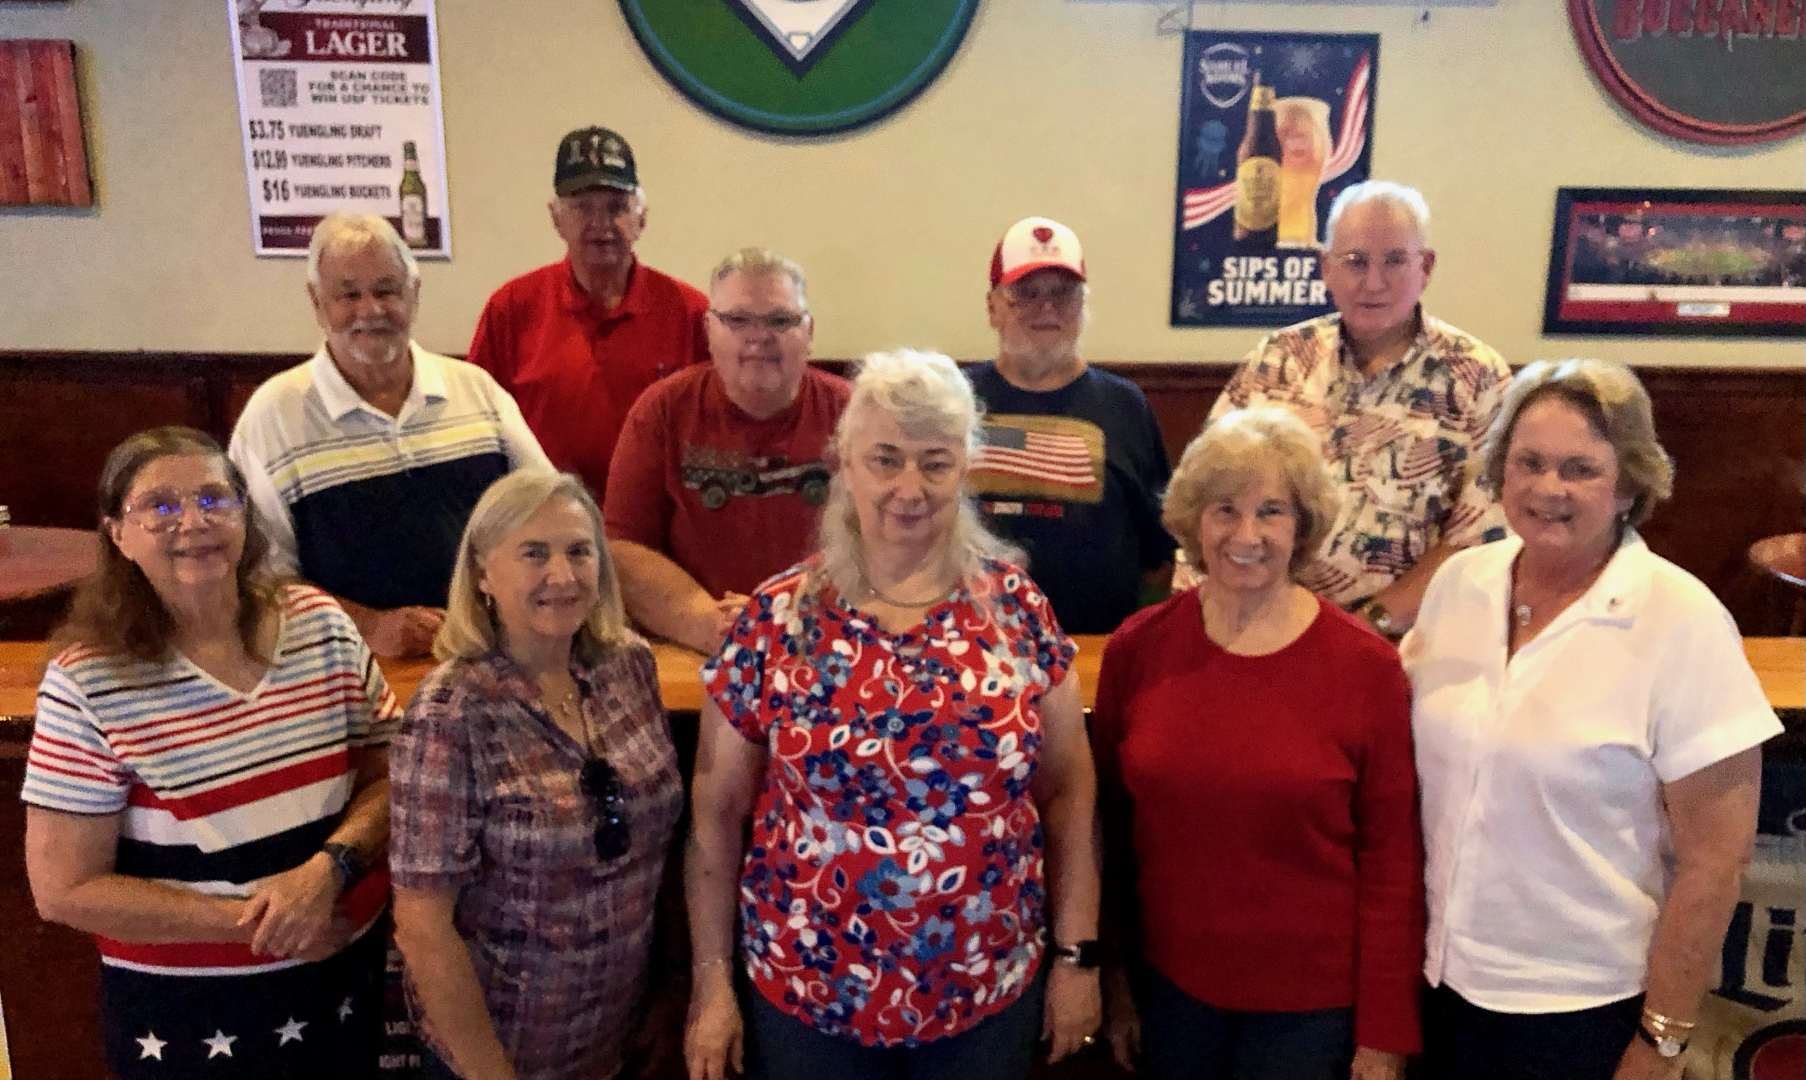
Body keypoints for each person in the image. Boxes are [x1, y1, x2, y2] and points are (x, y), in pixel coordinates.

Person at [684, 349, 1102, 1080]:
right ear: (845, 461)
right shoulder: (778, 616)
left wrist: (1077, 957)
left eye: (935, 462)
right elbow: (716, 813)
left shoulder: (1017, 611)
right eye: (886, 459)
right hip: (807, 990)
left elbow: (1069, 794)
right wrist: (711, 982)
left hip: (984, 987)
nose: (910, 488)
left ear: (967, 467)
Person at [1403, 359, 1780, 1080]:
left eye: (1580, 468)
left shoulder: (1682, 619)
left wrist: (1662, 1041)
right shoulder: (1460, 585)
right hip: (1440, 987)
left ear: (1630, 483)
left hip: (1583, 1013)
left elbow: (1715, 860)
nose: (1549, 489)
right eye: (1530, 463)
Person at [22, 426, 396, 1080]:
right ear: (117, 534)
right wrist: (261, 922)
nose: (193, 522)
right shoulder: (87, 681)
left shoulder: (320, 624)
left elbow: (396, 780)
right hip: (187, 1021)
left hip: (342, 986)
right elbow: (64, 889)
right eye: (160, 507)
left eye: (214, 499)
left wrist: (327, 871)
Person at [1091, 408, 1423, 1080]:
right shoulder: (1139, 648)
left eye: (1272, 511)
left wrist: (1384, 1035)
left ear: (1301, 526)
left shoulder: (1366, 667)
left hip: (1312, 1010)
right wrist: (1116, 981)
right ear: (1192, 519)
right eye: (1224, 509)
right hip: (1171, 991)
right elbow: (1114, 835)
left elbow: (1392, 859)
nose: (1246, 535)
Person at [389, 470, 684, 1080]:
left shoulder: (627, 663)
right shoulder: (452, 708)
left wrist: (673, 987)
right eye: (534, 554)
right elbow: (422, 925)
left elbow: (659, 852)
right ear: (482, 575)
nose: (562, 575)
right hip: (500, 1050)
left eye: (579, 551)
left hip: (617, 1036)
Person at [230, 212, 553, 659]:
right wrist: (368, 627)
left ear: (414, 295)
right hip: (353, 671)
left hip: (493, 656)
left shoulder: (477, 392)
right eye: (348, 295)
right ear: (317, 303)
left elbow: (548, 512)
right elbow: (259, 579)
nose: (371, 310)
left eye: (386, 290)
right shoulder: (273, 417)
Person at [1203, 181, 1512, 637]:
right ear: (1325, 268)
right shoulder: (1276, 360)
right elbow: (1209, 495)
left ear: (1425, 267)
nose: (1373, 282)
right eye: (1355, 262)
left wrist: (1361, 629)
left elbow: (1479, 540)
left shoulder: (1478, 378)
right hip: (1259, 629)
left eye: (1394, 261)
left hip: (1399, 643)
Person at [604, 247, 850, 654]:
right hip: (697, 651)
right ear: (709, 330)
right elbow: (625, 547)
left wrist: (793, 614)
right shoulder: (662, 410)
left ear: (809, 331)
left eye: (780, 320)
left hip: (827, 644)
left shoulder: (854, 415)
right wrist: (711, 625)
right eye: (737, 320)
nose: (759, 336)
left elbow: (889, 544)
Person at [466, 126, 710, 497]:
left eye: (616, 208)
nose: (601, 224)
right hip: (545, 514)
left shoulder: (691, 310)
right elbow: (479, 426)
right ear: (556, 218)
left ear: (641, 218)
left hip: (660, 516)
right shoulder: (511, 307)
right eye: (582, 207)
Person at [965, 216, 1172, 635]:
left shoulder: (1126, 404)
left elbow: (1161, 552)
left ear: (1082, 307)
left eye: (1063, 294)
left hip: (1094, 649)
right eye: (1025, 293)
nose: (1047, 308)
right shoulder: (954, 400)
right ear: (992, 307)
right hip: (971, 649)